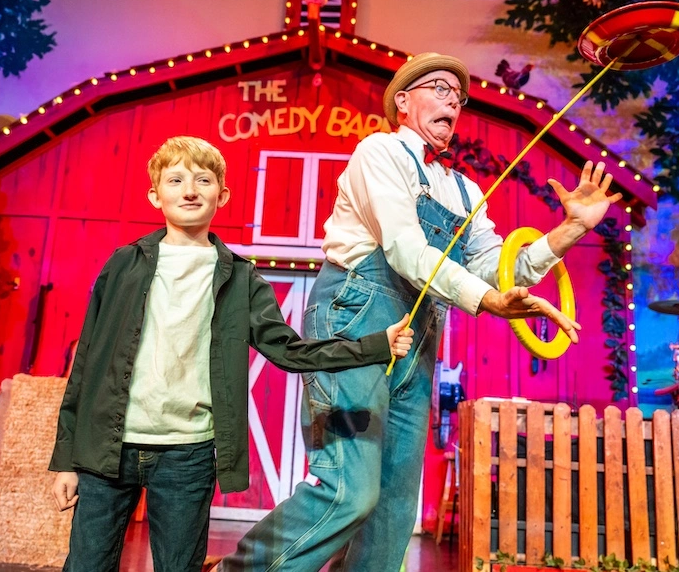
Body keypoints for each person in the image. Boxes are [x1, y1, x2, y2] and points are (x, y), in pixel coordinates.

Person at [218, 52, 621, 572]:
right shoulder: (380, 152)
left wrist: (570, 230)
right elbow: (405, 249)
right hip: (353, 320)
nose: (453, 102)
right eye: (440, 89)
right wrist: (488, 302)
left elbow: (499, 270)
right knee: (348, 490)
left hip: (418, 336)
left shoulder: (465, 190)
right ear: (404, 102)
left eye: (459, 96)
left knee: (393, 511)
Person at [48, 136, 414, 572]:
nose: (189, 190)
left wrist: (375, 345)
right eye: (176, 180)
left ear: (222, 196)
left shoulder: (241, 279)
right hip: (107, 450)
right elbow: (87, 364)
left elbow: (291, 351)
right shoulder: (123, 265)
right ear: (155, 195)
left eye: (203, 181)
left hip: (187, 455)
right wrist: (67, 460)